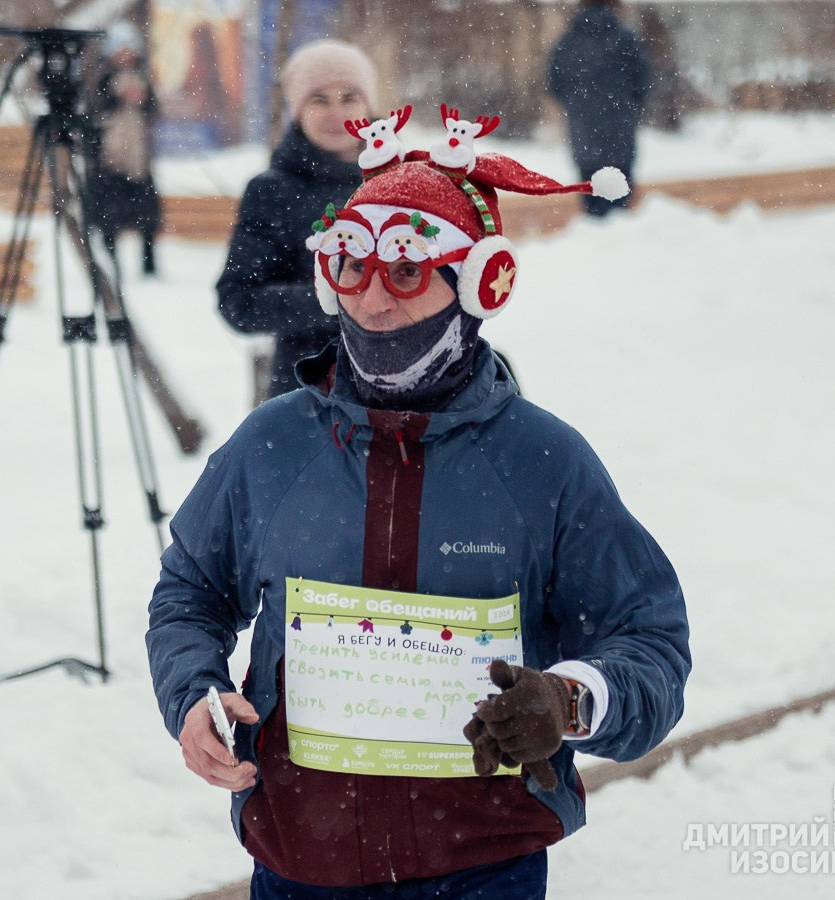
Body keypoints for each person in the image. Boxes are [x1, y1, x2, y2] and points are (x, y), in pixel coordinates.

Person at [147, 103, 690, 898]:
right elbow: (190, 591)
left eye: (407, 271)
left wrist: (569, 701)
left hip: (481, 868)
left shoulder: (543, 463)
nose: (374, 302)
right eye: (351, 271)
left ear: (477, 283)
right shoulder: (272, 448)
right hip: (299, 864)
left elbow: (649, 642)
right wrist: (191, 689)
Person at [216, 39, 375, 401]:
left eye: (349, 97)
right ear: (297, 111)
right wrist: (333, 299)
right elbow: (238, 302)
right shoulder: (272, 191)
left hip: (407, 393)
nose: (338, 114)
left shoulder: (403, 181)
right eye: (319, 100)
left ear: (369, 105)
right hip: (308, 395)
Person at [547, 0, 652, 217]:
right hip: (620, 127)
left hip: (583, 129)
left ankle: (595, 228)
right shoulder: (625, 39)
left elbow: (554, 83)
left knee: (591, 187)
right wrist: (629, 106)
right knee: (620, 188)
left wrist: (576, 104)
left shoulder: (568, 41)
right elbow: (643, 80)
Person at [93, 21, 162, 276]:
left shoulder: (143, 80)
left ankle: (149, 266)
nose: (125, 56)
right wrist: (116, 97)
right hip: (111, 160)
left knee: (148, 219)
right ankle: (112, 265)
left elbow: (153, 111)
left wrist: (142, 100)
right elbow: (96, 111)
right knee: (110, 219)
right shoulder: (101, 81)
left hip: (139, 160)